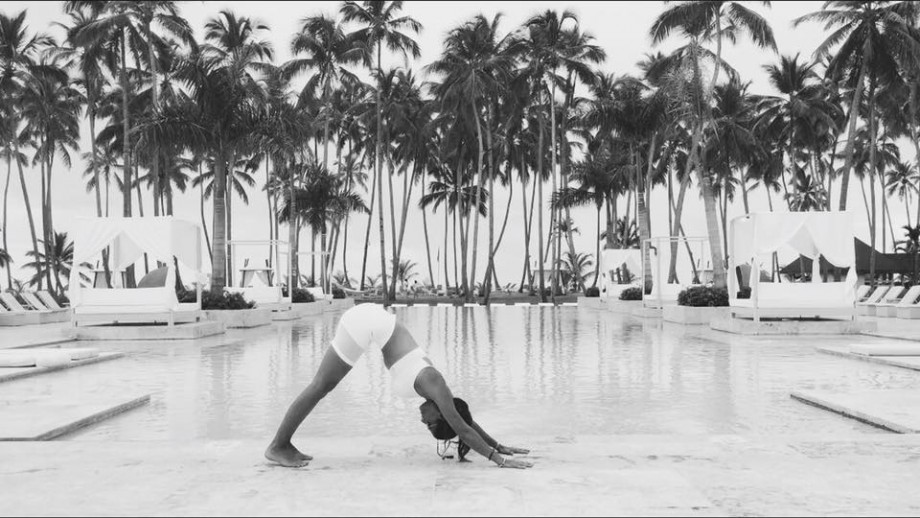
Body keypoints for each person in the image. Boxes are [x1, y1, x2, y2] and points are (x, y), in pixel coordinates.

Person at [265, 303, 533, 469]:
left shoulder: (438, 394)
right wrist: (499, 460)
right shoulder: (433, 382)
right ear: (441, 413)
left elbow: (463, 419)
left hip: (369, 321)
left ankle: (281, 444)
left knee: (322, 386)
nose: (423, 421)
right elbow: (462, 427)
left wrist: (498, 444)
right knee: (321, 386)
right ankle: (279, 445)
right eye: (431, 423)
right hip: (366, 324)